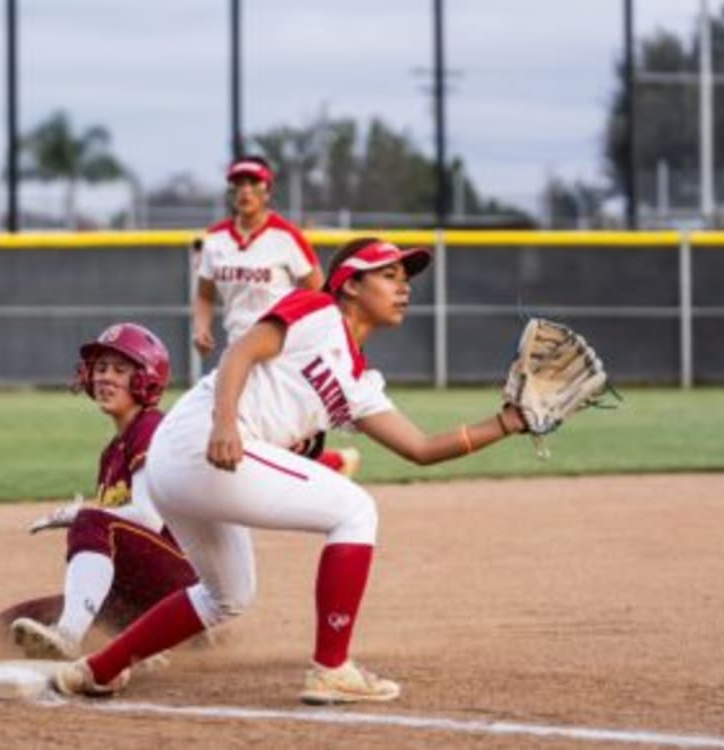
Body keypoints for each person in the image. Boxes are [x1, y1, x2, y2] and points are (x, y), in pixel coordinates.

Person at [53, 237, 529, 703]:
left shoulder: (359, 382)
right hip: (202, 442)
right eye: (389, 275)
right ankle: (332, 669)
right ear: (350, 286)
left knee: (227, 595)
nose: (403, 287)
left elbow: (422, 448)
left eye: (405, 279)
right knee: (356, 510)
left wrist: (509, 422)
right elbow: (240, 352)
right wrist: (224, 424)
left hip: (185, 467)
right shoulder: (317, 312)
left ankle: (98, 668)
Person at [0, 323, 200, 661]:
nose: (105, 377)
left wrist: (78, 516)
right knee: (13, 622)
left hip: (178, 586)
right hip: (135, 594)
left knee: (91, 521)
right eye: (101, 368)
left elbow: (148, 519)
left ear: (145, 380)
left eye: (120, 370)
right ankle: (143, 643)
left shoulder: (150, 428)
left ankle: (69, 636)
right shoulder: (112, 451)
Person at [194, 155, 359, 478]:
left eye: (253, 183)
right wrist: (201, 326)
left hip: (280, 345)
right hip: (238, 349)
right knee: (236, 430)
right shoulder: (215, 239)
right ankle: (334, 464)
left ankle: (330, 464)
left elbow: (320, 292)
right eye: (238, 184)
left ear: (267, 191)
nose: (245, 190)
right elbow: (204, 294)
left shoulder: (286, 237)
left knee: (246, 430)